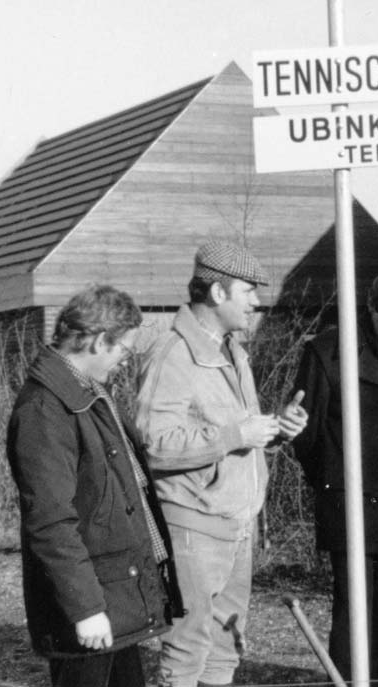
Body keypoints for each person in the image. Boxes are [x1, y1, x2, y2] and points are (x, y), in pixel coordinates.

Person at [135, 240, 307, 687]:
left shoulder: (233, 351)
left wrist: (275, 430)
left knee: (226, 646)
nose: (255, 302)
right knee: (187, 647)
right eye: (248, 291)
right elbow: (154, 443)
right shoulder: (173, 352)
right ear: (216, 292)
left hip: (236, 524)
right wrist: (237, 435)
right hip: (193, 524)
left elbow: (232, 433)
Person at [6, 285, 183, 687]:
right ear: (101, 341)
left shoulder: (89, 394)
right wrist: (85, 609)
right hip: (90, 607)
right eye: (124, 350)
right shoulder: (44, 410)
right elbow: (50, 522)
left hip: (114, 594)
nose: (124, 361)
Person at [291, 266, 378, 686]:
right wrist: (335, 482)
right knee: (352, 620)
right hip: (351, 506)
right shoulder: (330, 351)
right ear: (371, 307)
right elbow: (306, 435)